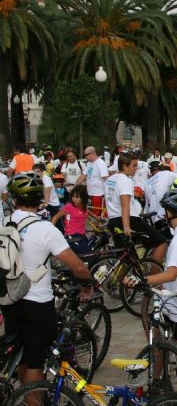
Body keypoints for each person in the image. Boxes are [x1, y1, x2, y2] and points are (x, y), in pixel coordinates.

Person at [0, 172, 93, 387]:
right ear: (40, 199)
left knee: (21, 355)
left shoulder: (6, 222)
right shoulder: (45, 229)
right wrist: (88, 283)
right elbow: (77, 266)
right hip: (37, 303)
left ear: (15, 199)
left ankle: (20, 396)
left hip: (11, 298)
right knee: (35, 362)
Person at [125, 190, 177, 394]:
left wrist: (143, 280)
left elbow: (171, 274)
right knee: (158, 338)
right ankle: (158, 381)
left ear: (170, 212)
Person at [105, 153, 167, 263]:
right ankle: (153, 276)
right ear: (124, 166)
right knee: (161, 242)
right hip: (129, 220)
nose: (137, 168)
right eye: (134, 165)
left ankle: (126, 278)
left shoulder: (110, 179)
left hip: (113, 220)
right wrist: (127, 227)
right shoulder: (125, 180)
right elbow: (125, 205)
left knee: (127, 260)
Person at [51, 185, 91, 255]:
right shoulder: (69, 207)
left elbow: (90, 214)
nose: (74, 199)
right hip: (72, 236)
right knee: (88, 253)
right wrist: (51, 231)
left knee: (91, 250)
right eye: (73, 196)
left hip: (82, 235)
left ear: (83, 197)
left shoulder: (84, 207)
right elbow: (55, 217)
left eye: (77, 197)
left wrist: (98, 219)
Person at [78, 146, 109, 216]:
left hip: (99, 194)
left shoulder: (100, 163)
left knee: (97, 215)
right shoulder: (89, 164)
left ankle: (101, 226)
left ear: (92, 153)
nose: (85, 157)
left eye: (86, 155)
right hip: (91, 194)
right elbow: (83, 175)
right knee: (93, 215)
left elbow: (106, 177)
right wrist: (75, 186)